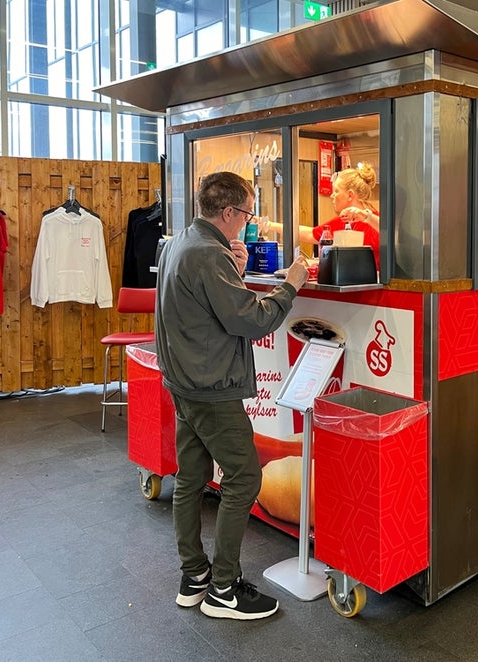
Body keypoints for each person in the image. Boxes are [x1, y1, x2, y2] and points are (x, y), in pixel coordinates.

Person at [155, 171, 309, 620]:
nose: (248, 222)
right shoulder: (208, 255)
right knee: (244, 478)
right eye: (247, 213)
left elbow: (204, 306)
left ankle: (195, 576)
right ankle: (224, 590)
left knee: (190, 477)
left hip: (183, 383)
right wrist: (293, 283)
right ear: (229, 212)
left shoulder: (181, 242)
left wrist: (234, 270)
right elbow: (250, 320)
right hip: (212, 388)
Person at [264, 162, 380, 269]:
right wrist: (269, 225)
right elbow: (312, 234)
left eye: (336, 191)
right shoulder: (346, 221)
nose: (332, 195)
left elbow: (310, 235)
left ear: (350, 195)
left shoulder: (376, 223)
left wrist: (270, 225)